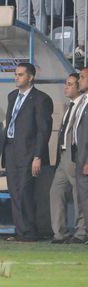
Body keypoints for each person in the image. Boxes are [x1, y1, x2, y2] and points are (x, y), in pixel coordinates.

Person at [2, 63, 53, 242]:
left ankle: (30, 232)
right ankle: (21, 231)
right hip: (10, 149)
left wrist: (37, 156)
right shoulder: (12, 96)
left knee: (25, 191)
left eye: (21, 74)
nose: (16, 77)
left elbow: (43, 130)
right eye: (15, 74)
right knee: (14, 192)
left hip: (28, 152)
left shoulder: (41, 99)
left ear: (30, 77)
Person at [49, 73, 86, 243]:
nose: (66, 87)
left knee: (79, 194)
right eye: (66, 83)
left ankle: (81, 232)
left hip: (74, 155)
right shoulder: (69, 106)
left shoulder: (83, 105)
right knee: (56, 191)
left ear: (79, 87)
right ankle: (59, 233)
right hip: (63, 155)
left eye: (70, 84)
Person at [73, 68, 88, 245]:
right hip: (80, 156)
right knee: (83, 198)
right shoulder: (83, 100)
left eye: (83, 77)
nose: (79, 81)